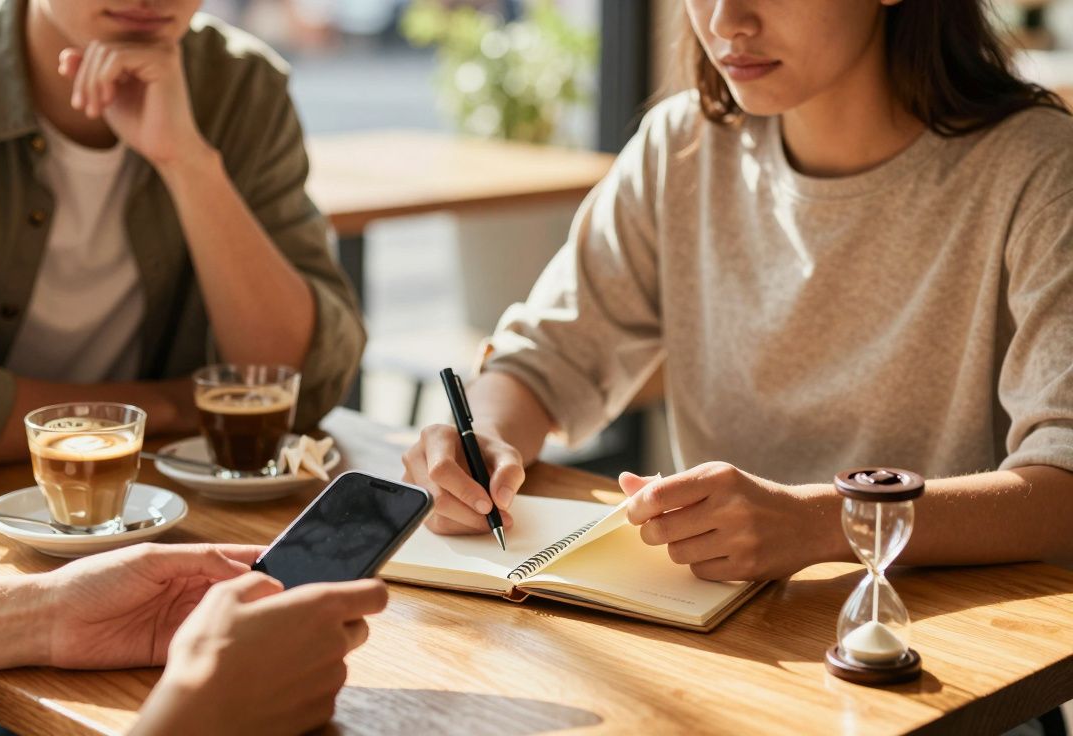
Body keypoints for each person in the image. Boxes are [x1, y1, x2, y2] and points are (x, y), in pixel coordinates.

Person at [0, 1, 385, 733]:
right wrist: (204, 717)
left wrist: (47, 613)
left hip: (75, 579)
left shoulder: (240, 86)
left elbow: (295, 385)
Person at [403, 0, 1073, 581]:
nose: (726, 21)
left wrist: (824, 526)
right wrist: (482, 439)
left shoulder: (1038, 170)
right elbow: (544, 359)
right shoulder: (682, 147)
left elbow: (1063, 488)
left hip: (944, 661)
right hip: (716, 639)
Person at [0, 0, 364, 478]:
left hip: (170, 516)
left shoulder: (243, 87)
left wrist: (188, 163)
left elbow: (297, 385)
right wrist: (173, 405)